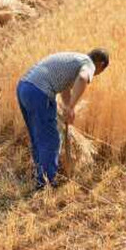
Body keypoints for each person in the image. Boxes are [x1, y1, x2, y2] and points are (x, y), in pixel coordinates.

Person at [16, 49, 109, 189]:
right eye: (100, 71)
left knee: (38, 136)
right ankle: (45, 183)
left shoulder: (74, 59)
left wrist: (66, 106)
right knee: (52, 140)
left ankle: (40, 174)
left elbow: (65, 88)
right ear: (101, 64)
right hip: (39, 93)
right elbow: (83, 78)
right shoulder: (88, 64)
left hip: (24, 87)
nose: (96, 74)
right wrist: (71, 107)